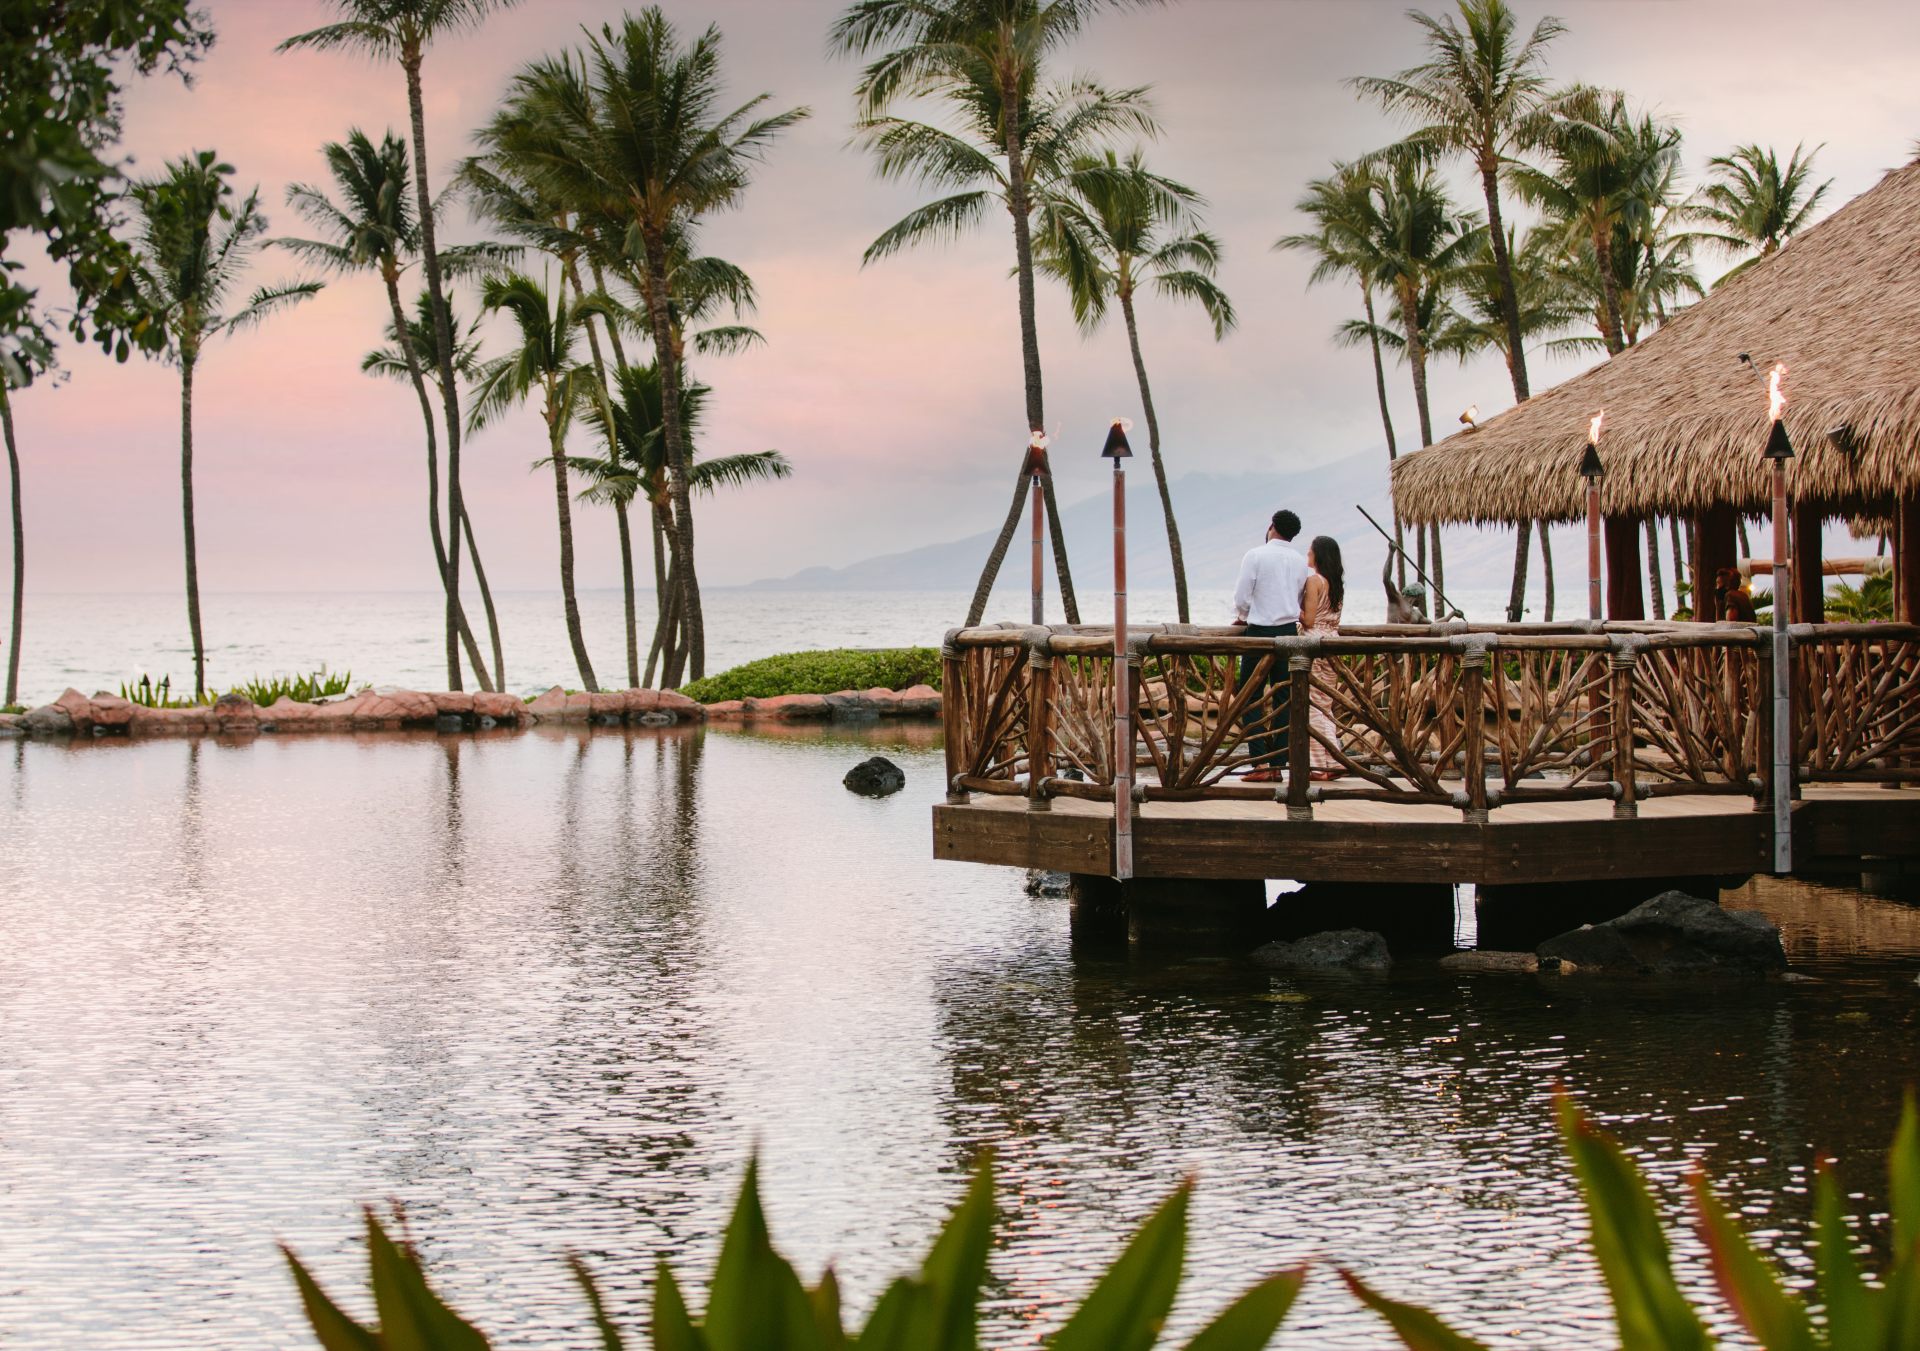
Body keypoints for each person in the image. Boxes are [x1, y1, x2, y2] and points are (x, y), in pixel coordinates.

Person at [1231, 508, 1309, 782]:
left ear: (1271, 526)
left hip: (1260, 633)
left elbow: (1242, 596)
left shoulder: (1255, 555)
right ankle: (1277, 764)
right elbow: (1300, 596)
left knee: (1249, 696)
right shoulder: (1301, 562)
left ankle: (1260, 763)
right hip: (1289, 634)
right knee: (1284, 698)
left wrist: (1242, 616)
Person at [1302, 535, 1345, 779]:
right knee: (1325, 705)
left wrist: (1289, 609)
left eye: (1310, 550)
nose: (1307, 553)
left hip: (1313, 643)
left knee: (1312, 705)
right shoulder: (1335, 582)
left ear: (1317, 554)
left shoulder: (1314, 581)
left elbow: (1308, 619)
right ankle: (1333, 760)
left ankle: (1319, 765)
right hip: (1333, 641)